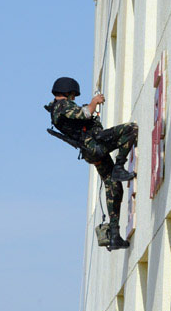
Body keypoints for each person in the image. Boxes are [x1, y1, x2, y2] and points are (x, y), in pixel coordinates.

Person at [45, 77, 137, 251]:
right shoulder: (62, 106)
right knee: (131, 129)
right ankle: (119, 165)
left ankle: (114, 235)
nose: (74, 98)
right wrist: (95, 102)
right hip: (95, 144)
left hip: (90, 151)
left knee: (113, 185)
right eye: (73, 95)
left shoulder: (56, 110)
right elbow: (85, 113)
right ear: (67, 92)